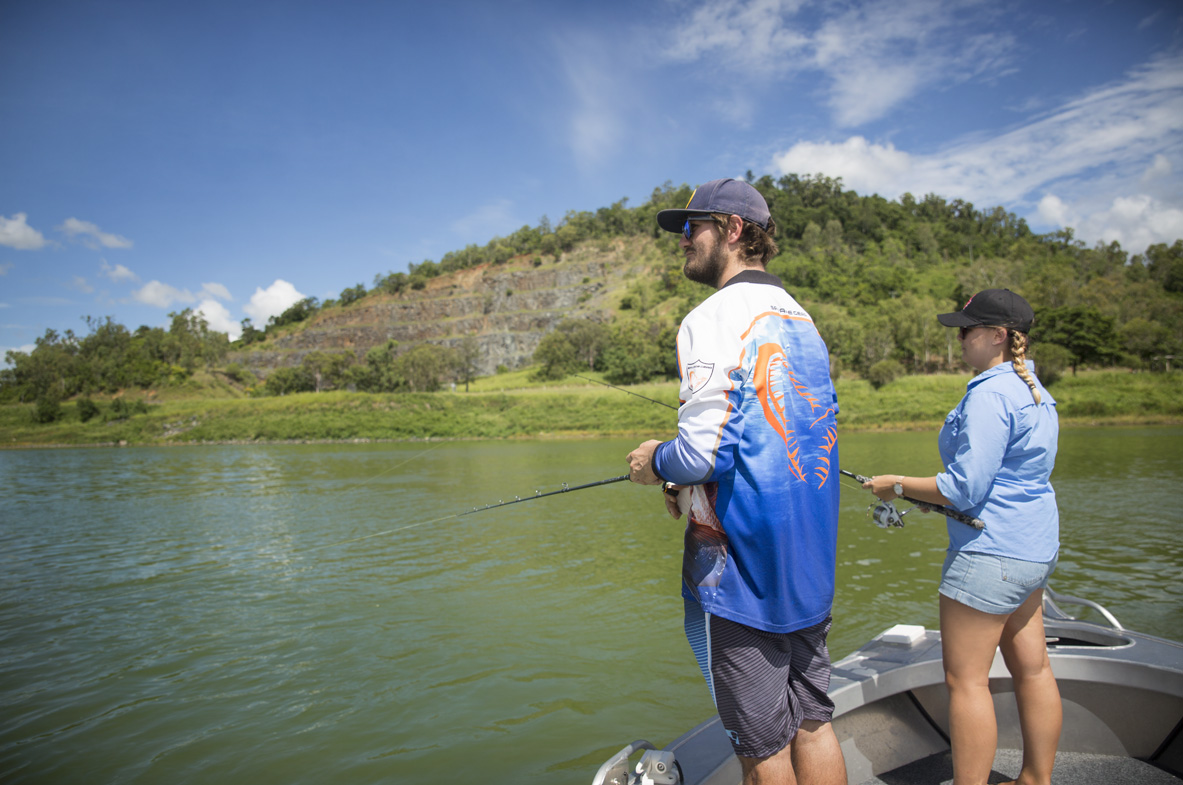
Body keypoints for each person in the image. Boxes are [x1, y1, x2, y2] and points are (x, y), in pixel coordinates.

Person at [627, 178, 847, 785]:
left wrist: (655, 464)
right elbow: (783, 442)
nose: (682, 242)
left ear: (731, 230)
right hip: (809, 565)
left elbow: (700, 454)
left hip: (742, 574)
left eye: (691, 228)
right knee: (814, 723)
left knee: (762, 749)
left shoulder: (712, 317)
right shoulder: (803, 320)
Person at [863, 288, 1061, 785]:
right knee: (1033, 671)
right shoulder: (1033, 388)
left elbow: (964, 487)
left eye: (967, 331)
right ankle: (1036, 779)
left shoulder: (991, 393)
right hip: (1032, 550)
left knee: (966, 681)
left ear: (998, 337)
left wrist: (897, 485)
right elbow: (1007, 479)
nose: (960, 339)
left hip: (989, 557)